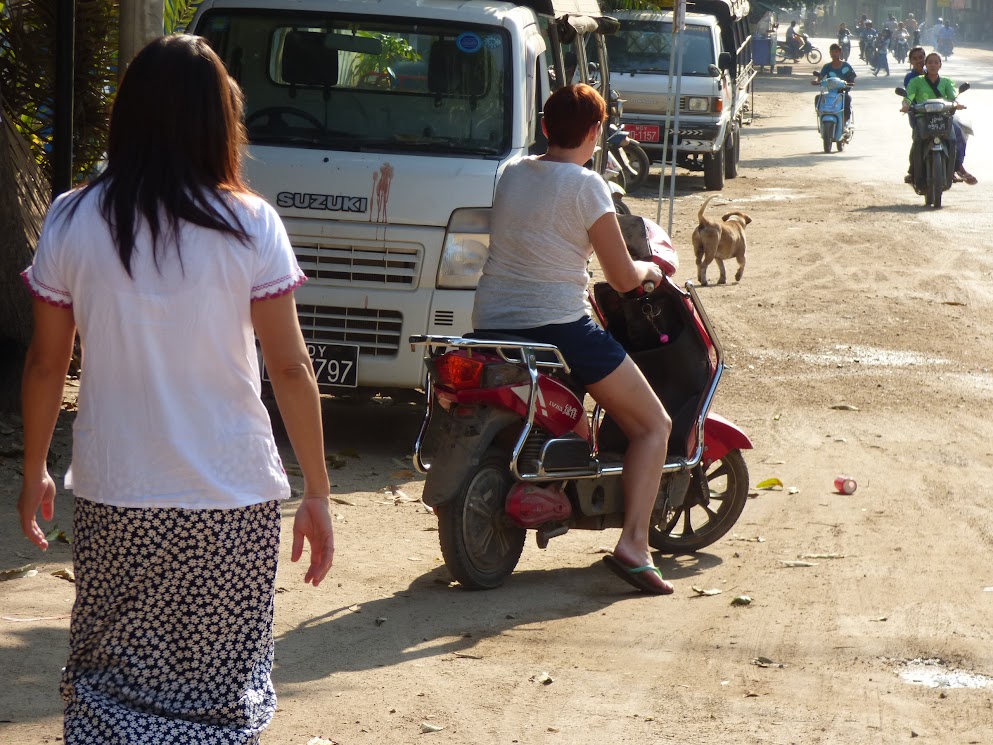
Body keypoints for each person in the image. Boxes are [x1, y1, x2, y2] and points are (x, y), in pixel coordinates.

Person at [17, 34, 336, 741]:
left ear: (126, 115)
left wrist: (36, 465)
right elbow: (290, 367)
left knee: (112, 679)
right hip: (229, 495)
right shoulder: (250, 222)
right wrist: (316, 489)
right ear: (220, 119)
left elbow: (46, 363)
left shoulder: (71, 217)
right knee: (220, 690)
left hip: (114, 489)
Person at [471, 84, 674, 595]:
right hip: (557, 327)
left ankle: (555, 482)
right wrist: (650, 268)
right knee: (654, 424)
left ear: (544, 127)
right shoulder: (588, 186)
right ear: (595, 132)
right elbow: (622, 278)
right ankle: (634, 545)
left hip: (492, 320)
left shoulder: (512, 171)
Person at [901, 51, 976, 185]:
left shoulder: (947, 81)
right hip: (922, 117)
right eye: (930, 62)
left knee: (957, 135)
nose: (933, 65)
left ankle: (956, 167)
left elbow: (953, 97)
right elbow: (909, 97)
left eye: (936, 62)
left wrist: (957, 104)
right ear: (926, 64)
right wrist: (906, 105)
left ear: (940, 65)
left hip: (944, 117)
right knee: (918, 140)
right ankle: (914, 172)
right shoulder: (914, 80)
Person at [811, 43, 856, 124]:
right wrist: (816, 81)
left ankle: (844, 123)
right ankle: (821, 116)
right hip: (831, 92)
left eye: (836, 52)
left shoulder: (846, 66)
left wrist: (850, 83)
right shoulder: (827, 67)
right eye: (832, 52)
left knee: (847, 99)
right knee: (818, 98)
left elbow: (851, 78)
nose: (834, 54)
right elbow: (820, 77)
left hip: (842, 93)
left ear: (839, 52)